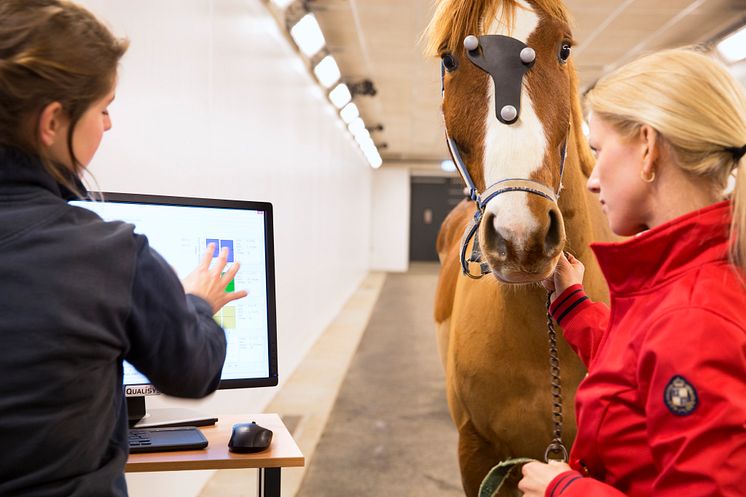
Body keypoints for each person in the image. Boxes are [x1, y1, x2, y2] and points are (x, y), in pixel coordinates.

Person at [0, 1, 247, 495]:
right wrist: (197, 303)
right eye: (103, 108)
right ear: (52, 122)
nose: (108, 126)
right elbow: (193, 371)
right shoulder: (106, 255)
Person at [518, 48, 746, 496]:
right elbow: (641, 364)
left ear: (648, 147)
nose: (593, 180)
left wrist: (566, 489)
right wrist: (572, 303)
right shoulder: (685, 280)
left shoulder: (696, 316)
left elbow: (678, 341)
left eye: (599, 151)